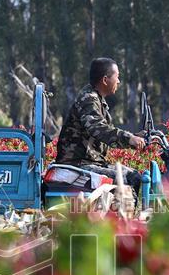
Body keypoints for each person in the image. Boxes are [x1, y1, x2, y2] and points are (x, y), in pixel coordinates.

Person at [55, 58, 147, 193]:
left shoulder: (96, 99)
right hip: (77, 164)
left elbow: (107, 131)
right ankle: (124, 213)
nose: (119, 81)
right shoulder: (88, 99)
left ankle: (124, 212)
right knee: (131, 179)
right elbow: (98, 128)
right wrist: (129, 138)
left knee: (135, 175)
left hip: (90, 162)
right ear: (105, 80)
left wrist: (135, 137)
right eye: (117, 77)